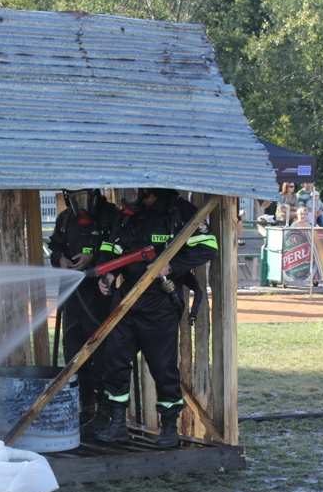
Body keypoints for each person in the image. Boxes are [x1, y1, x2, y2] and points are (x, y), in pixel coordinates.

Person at [93, 188, 218, 448]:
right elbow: (111, 247)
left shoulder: (180, 213)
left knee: (163, 368)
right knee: (114, 361)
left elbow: (208, 246)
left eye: (148, 191)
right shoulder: (130, 214)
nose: (142, 194)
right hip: (126, 302)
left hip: (160, 305)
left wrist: (172, 266)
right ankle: (117, 423)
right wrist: (106, 273)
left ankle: (169, 428)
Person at [48, 188, 119, 423]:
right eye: (76, 198)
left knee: (101, 352)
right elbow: (55, 245)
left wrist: (94, 260)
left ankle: (104, 410)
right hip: (71, 297)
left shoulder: (110, 215)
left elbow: (115, 247)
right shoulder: (65, 219)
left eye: (85, 197)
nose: (82, 204)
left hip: (99, 297)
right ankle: (84, 407)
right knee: (73, 353)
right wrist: (60, 260)